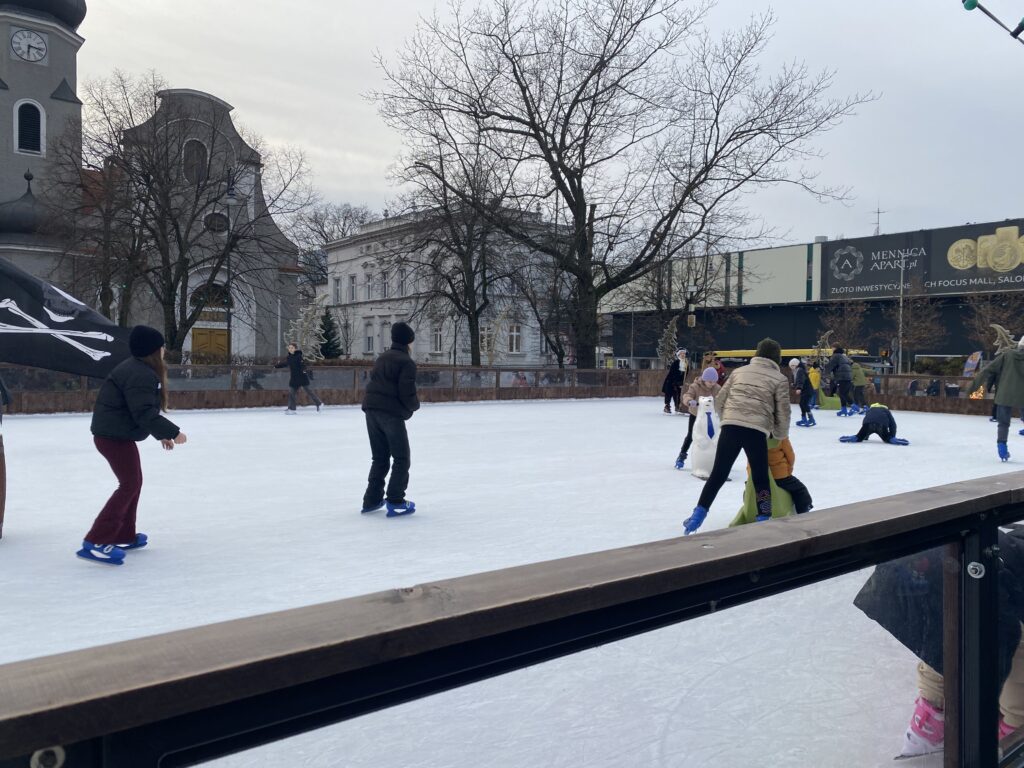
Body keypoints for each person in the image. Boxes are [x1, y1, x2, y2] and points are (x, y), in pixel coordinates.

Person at [854, 531, 1024, 758]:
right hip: (981, 576)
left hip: (941, 560)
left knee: (944, 638)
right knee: (1016, 653)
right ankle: (1014, 731)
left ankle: (929, 723)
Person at [79, 325, 186, 566]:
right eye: (161, 346)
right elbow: (143, 413)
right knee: (129, 484)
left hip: (116, 434)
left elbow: (138, 411)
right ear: (152, 350)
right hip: (113, 436)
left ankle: (123, 535)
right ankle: (96, 541)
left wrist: (160, 435)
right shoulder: (141, 374)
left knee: (133, 482)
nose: (164, 350)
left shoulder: (138, 369)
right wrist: (172, 432)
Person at [683, 337, 791, 535]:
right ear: (777, 358)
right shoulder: (780, 379)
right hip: (756, 430)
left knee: (718, 473)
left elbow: (720, 400)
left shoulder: (738, 372)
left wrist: (729, 418)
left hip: (731, 427)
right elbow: (783, 412)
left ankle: (699, 513)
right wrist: (778, 433)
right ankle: (763, 516)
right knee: (760, 475)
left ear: (757, 355)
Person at [361, 322, 420, 517]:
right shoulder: (406, 362)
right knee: (402, 457)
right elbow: (406, 391)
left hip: (371, 410)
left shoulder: (382, 358)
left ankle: (372, 499)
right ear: (408, 341)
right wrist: (414, 406)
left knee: (380, 457)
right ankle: (395, 500)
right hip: (389, 413)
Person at [971, 336, 1024, 462]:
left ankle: (1002, 447)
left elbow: (990, 371)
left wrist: (981, 387)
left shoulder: (1007, 356)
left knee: (1003, 423)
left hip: (1004, 394)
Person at [675, 367, 722, 469]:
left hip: (710, 416)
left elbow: (721, 399)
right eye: (710, 381)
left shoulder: (717, 388)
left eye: (714, 381)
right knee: (691, 435)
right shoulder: (695, 386)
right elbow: (687, 395)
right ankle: (682, 456)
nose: (712, 384)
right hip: (696, 414)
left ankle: (714, 460)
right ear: (704, 379)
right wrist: (689, 401)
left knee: (713, 437)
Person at [275, 342, 322, 414]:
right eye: (289, 348)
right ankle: (292, 409)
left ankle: (319, 404)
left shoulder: (298, 356)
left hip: (301, 377)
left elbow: (303, 365)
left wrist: (304, 371)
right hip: (294, 378)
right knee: (291, 393)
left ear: (295, 349)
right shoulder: (289, 357)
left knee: (309, 392)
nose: (290, 349)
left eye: (292, 348)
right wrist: (277, 366)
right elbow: (286, 363)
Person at [838, 402, 909, 445]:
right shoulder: (886, 410)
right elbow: (893, 424)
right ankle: (892, 440)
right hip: (881, 425)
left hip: (867, 424)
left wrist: (864, 436)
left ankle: (855, 438)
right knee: (887, 438)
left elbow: (865, 420)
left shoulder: (870, 410)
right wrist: (892, 436)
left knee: (859, 437)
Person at [827, 346, 854, 416]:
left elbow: (830, 365)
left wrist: (825, 372)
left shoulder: (836, 356)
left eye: (833, 348)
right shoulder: (844, 357)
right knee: (843, 393)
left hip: (842, 377)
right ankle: (844, 409)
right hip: (848, 377)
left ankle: (854, 406)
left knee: (842, 393)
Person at [792, 358, 816, 427]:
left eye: (792, 366)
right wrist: (794, 385)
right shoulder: (799, 370)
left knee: (804, 404)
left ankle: (811, 419)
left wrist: (799, 388)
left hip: (807, 390)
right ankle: (804, 418)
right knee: (802, 404)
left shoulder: (800, 370)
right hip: (805, 390)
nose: (792, 368)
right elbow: (800, 381)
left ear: (795, 365)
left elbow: (801, 380)